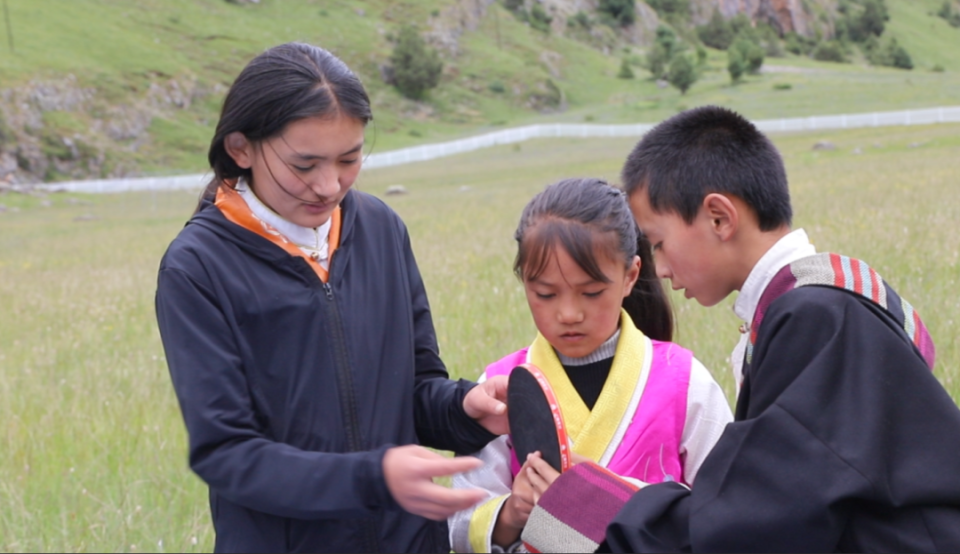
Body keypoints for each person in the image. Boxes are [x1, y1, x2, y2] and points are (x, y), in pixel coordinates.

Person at [520, 105, 960, 553]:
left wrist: (578, 508)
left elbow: (755, 523)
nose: (664, 270)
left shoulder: (814, 321)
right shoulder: (819, 305)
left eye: (659, 244)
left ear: (719, 218)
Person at [154, 42, 510, 553]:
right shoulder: (197, 267)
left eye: (349, 159)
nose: (329, 186)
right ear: (241, 148)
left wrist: (464, 408)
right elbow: (227, 455)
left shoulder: (382, 228)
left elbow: (412, 390)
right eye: (304, 165)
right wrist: (373, 478)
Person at [448, 178, 733, 553]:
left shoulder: (684, 381)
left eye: (592, 292)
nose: (568, 313)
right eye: (545, 294)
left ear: (630, 276)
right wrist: (510, 514)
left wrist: (597, 497)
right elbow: (459, 522)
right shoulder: (500, 388)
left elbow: (727, 509)